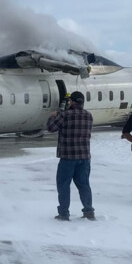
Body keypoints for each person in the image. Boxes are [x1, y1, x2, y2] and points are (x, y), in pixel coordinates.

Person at [45, 90, 95, 220]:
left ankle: (64, 213)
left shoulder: (65, 115)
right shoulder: (89, 116)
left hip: (67, 157)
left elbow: (51, 128)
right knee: (84, 185)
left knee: (63, 185)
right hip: (84, 157)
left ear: (71, 102)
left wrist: (53, 116)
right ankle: (88, 211)